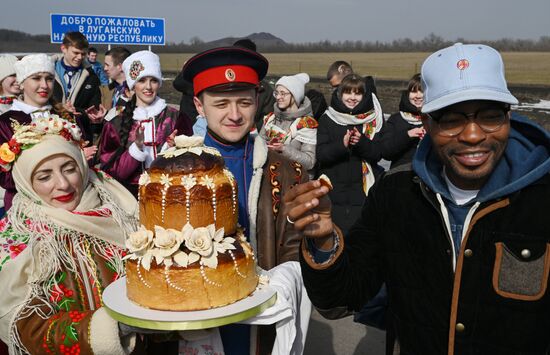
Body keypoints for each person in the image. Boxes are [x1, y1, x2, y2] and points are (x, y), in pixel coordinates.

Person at [289, 43, 550, 354]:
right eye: (451, 120)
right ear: (426, 124)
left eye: (490, 116)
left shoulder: (542, 199)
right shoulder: (395, 195)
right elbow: (342, 298)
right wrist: (323, 242)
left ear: (509, 117)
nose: (472, 135)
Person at [181, 46, 309, 355]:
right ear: (199, 105)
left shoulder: (285, 169)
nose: (235, 115)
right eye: (221, 103)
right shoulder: (174, 168)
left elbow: (296, 244)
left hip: (261, 319)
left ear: (257, 101)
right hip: (196, 315)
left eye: (244, 102)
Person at [0, 115, 139, 354]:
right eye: (44, 177)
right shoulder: (18, 235)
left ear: (82, 167)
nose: (63, 184)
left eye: (69, 169)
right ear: (25, 182)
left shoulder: (122, 212)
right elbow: (23, 326)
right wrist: (110, 328)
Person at [0, 53, 94, 211]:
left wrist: (81, 160)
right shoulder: (6, 122)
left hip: (72, 201)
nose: (44, 85)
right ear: (21, 83)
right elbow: (4, 177)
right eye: (36, 78)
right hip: (27, 207)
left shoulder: (68, 117)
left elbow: (85, 164)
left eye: (49, 78)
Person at [98, 50, 193, 196]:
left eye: (153, 80)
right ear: (132, 85)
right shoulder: (115, 123)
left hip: (171, 198)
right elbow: (110, 176)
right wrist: (136, 148)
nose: (148, 87)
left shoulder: (177, 118)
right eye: (142, 81)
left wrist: (173, 150)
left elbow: (192, 166)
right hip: (130, 201)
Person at [316, 73, 384, 235]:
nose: (352, 97)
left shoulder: (372, 120)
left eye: (358, 93)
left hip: (363, 193)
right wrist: (342, 145)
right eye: (348, 92)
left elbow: (378, 153)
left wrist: (361, 143)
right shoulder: (328, 118)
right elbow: (321, 154)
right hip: (333, 192)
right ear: (340, 94)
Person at [52, 31, 104, 144]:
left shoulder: (92, 77)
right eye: (75, 52)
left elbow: (93, 106)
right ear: (63, 48)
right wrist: (60, 108)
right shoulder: (47, 73)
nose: (80, 57)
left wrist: (95, 114)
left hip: (81, 137)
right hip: (51, 136)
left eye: (83, 54)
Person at [260, 73, 317, 174]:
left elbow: (310, 162)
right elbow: (259, 145)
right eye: (276, 93)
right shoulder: (270, 119)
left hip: (295, 181)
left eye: (283, 93)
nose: (278, 97)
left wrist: (284, 149)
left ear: (295, 95)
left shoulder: (306, 124)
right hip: (270, 177)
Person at [377, 73, 426, 169]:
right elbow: (385, 152)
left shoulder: (436, 118)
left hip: (431, 176)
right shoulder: (396, 119)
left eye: (422, 91)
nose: (418, 96)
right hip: (401, 175)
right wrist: (408, 135)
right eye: (413, 91)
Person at [102, 46, 132, 112]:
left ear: (120, 67)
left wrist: (106, 116)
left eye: (107, 65)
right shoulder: (108, 90)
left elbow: (118, 113)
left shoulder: (133, 91)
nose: (105, 68)